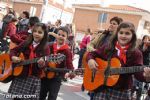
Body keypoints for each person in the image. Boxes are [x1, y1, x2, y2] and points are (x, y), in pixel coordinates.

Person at [86, 22, 150, 100]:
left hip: (122, 91)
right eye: (121, 33)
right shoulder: (108, 47)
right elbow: (92, 54)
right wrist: (90, 60)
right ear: (117, 34)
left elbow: (138, 73)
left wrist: (146, 77)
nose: (123, 36)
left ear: (133, 36)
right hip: (102, 89)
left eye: (127, 33)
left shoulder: (136, 53)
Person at [8, 23, 50, 100]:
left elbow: (45, 65)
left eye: (40, 32)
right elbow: (13, 50)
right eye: (35, 31)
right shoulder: (26, 42)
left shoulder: (45, 48)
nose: (36, 34)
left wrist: (41, 64)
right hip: (20, 75)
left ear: (44, 35)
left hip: (33, 78)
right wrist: (13, 56)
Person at [40, 26, 75, 100]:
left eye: (63, 35)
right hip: (44, 75)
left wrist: (72, 71)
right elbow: (42, 57)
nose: (60, 37)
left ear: (67, 37)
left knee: (52, 96)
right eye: (59, 34)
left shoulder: (67, 51)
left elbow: (69, 65)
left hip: (56, 77)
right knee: (41, 95)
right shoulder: (50, 46)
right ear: (56, 35)